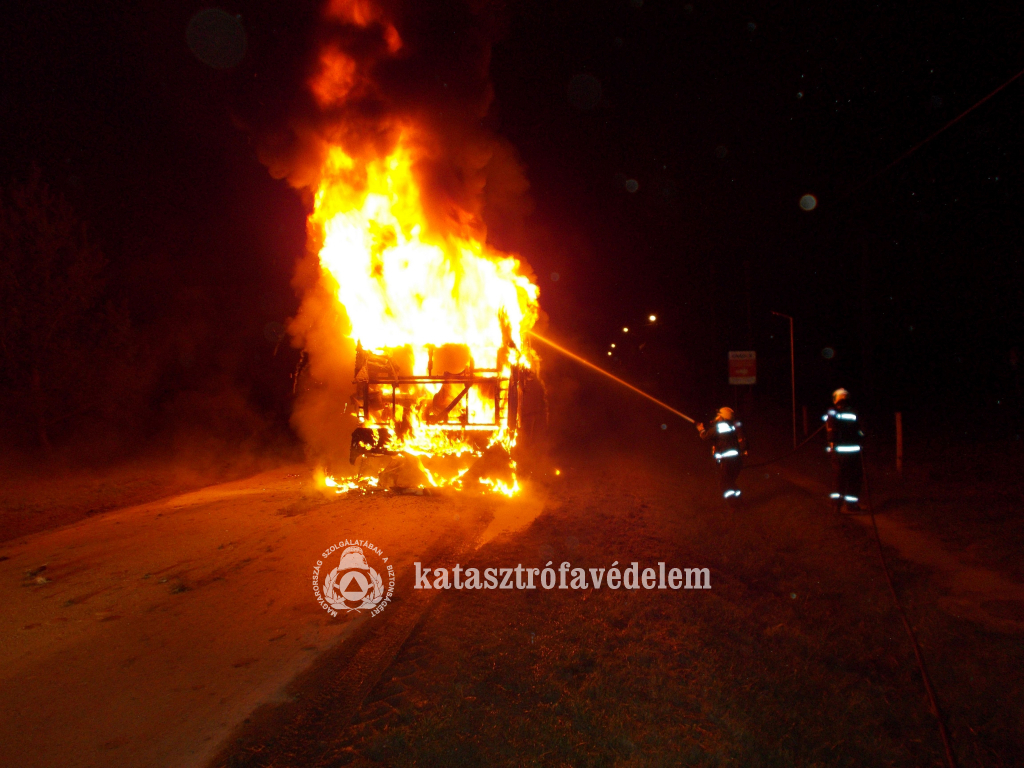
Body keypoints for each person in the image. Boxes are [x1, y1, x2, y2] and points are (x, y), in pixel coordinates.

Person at [824, 388, 864, 511]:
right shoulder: (854, 412)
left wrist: (831, 446)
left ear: (836, 398)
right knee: (854, 479)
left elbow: (831, 432)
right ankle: (851, 505)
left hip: (839, 452)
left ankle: (836, 505)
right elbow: (860, 431)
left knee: (838, 479)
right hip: (854, 453)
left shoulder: (832, 412)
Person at [697, 407, 748, 501]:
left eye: (719, 415)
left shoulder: (720, 426)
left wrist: (701, 429)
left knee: (724, 484)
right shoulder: (732, 426)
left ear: (723, 416)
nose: (717, 417)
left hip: (727, 462)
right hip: (737, 461)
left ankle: (735, 504)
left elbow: (705, 436)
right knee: (730, 482)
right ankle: (739, 500)